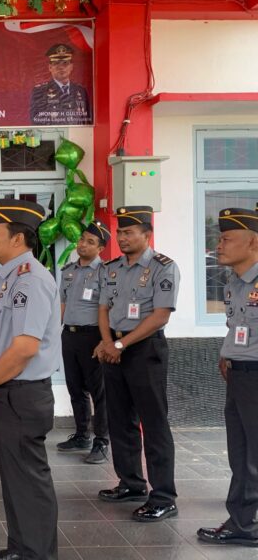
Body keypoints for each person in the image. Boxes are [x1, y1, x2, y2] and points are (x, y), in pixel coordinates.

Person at [0, 199, 59, 560]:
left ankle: (37, 553)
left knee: (29, 482)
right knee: (16, 481)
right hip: (9, 392)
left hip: (20, 394)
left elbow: (23, 348)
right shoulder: (11, 278)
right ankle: (21, 548)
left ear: (17, 239)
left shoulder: (31, 280)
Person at [95, 206, 180, 522]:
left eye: (129, 232)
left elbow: (160, 315)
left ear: (147, 234)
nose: (122, 237)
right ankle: (131, 483)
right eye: (120, 232)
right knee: (119, 419)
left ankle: (164, 496)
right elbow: (103, 307)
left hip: (144, 350)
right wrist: (107, 342)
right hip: (113, 348)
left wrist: (120, 344)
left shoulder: (163, 268)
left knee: (154, 423)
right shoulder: (112, 267)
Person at [197, 207, 258, 548]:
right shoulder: (235, 283)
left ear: (253, 241)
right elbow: (238, 327)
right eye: (218, 239)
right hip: (239, 376)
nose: (218, 245)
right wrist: (226, 354)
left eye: (226, 239)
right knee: (242, 454)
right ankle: (242, 522)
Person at [57, 221, 111, 464]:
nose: (83, 244)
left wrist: (105, 340)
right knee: (75, 387)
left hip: (93, 337)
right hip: (69, 335)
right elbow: (62, 305)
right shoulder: (67, 271)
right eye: (81, 240)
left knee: (99, 392)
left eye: (90, 242)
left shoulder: (106, 273)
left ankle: (101, 441)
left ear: (100, 248)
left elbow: (108, 309)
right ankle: (81, 434)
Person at [29, 43, 92, 126]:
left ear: (71, 66)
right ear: (50, 67)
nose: (61, 67)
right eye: (56, 63)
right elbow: (36, 120)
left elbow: (87, 119)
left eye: (65, 63)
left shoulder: (80, 90)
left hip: (78, 135)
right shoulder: (40, 91)